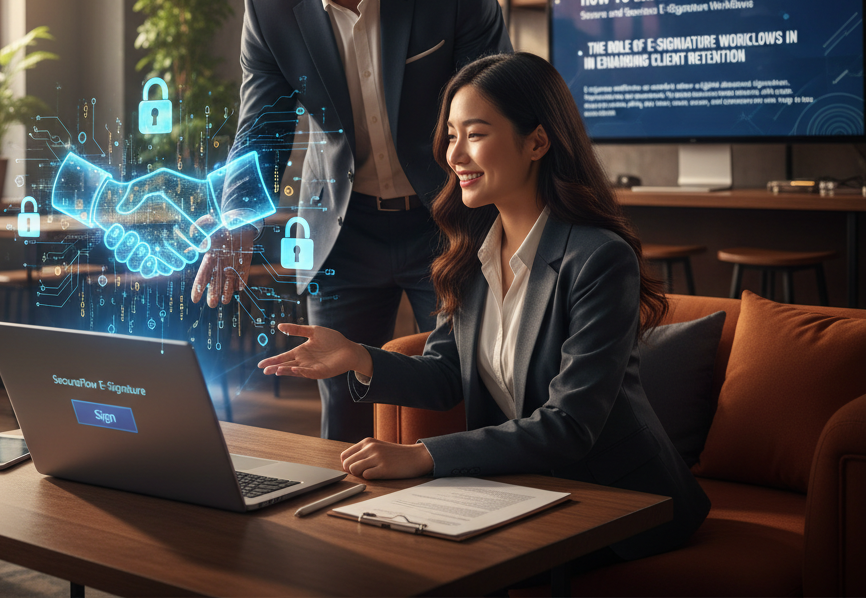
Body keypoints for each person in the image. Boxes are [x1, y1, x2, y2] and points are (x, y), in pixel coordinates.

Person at [257, 52, 711, 561]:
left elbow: (571, 425)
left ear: (537, 141)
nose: (454, 155)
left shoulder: (600, 258)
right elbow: (447, 374)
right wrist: (358, 357)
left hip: (619, 500)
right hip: (524, 487)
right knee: (369, 543)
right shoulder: (471, 256)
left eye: (474, 134)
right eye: (451, 135)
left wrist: (424, 455)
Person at [190, 0, 511, 442]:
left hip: (446, 219)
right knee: (344, 416)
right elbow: (261, 128)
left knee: (465, 398)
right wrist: (237, 220)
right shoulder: (270, 6)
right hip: (342, 230)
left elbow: (496, 104)